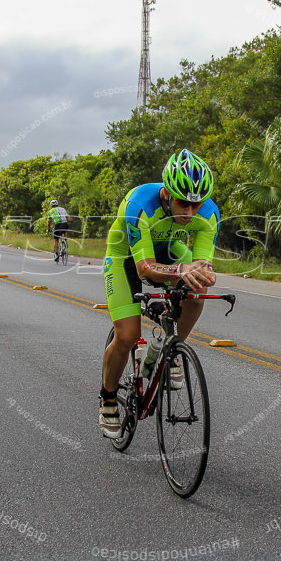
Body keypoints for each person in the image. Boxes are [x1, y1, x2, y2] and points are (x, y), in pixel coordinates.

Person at [99, 149, 219, 438]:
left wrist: (204, 273)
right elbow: (144, 269)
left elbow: (202, 263)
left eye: (196, 205)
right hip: (126, 259)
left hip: (169, 250)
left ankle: (172, 347)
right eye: (182, 204)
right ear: (166, 192)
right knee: (127, 336)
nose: (189, 213)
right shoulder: (139, 203)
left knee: (198, 286)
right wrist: (180, 271)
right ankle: (108, 398)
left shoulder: (210, 213)